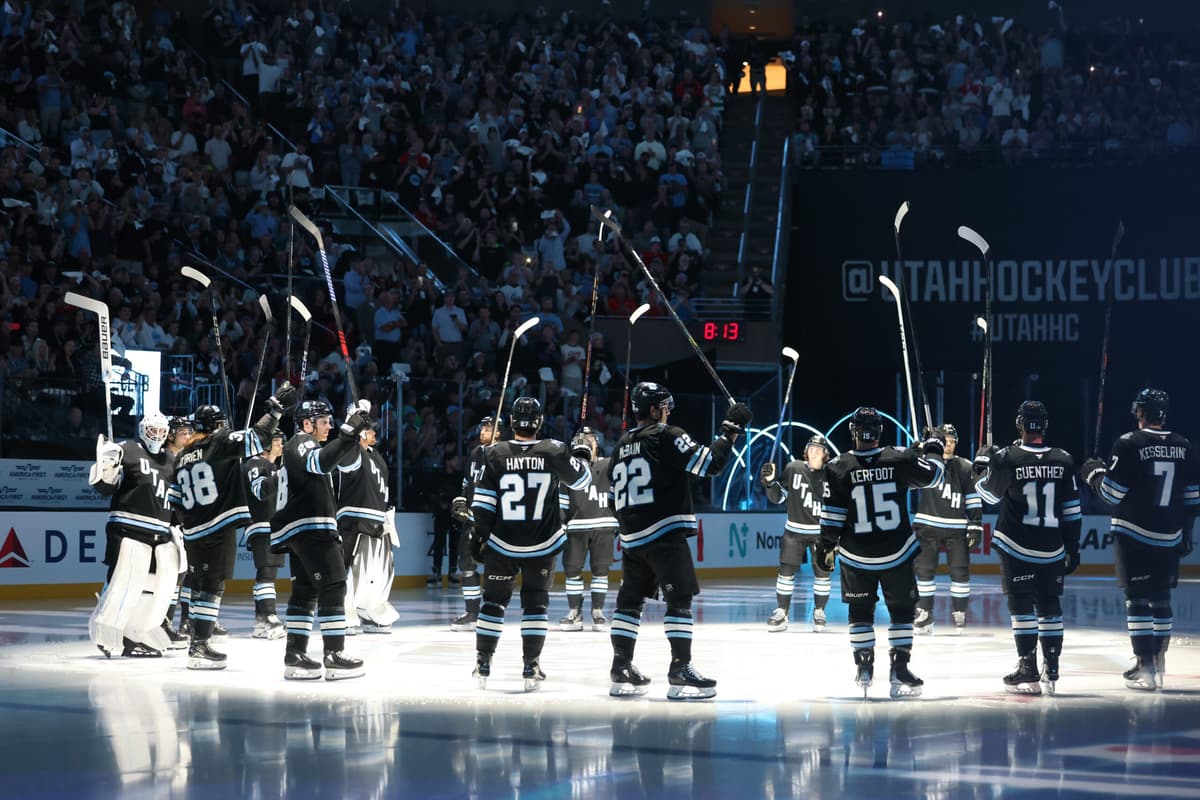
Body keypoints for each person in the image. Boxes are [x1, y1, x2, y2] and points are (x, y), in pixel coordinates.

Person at [606, 382, 752, 700]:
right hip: (665, 534)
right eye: (666, 407)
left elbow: (611, 499)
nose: (668, 412)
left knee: (629, 603)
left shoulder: (621, 445)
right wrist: (730, 432)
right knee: (679, 600)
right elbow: (708, 464)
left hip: (632, 540)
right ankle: (680, 669)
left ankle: (621, 667)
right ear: (656, 409)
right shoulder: (667, 435)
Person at [817, 407, 944, 699]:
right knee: (901, 611)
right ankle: (899, 670)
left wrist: (825, 546)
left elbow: (832, 516)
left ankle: (864, 666)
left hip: (856, 554)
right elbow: (934, 477)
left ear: (852, 431)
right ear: (879, 431)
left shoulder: (838, 466)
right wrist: (933, 450)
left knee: (860, 610)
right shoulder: (899, 458)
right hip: (896, 551)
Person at [467, 397, 591, 691]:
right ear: (539, 422)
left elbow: (483, 506)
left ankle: (483, 661)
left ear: (511, 422)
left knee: (493, 603)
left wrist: (478, 538)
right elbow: (583, 480)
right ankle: (530, 664)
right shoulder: (554, 449)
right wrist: (581, 453)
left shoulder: (494, 453)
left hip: (502, 543)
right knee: (535, 605)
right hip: (542, 545)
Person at [1081, 389, 1199, 690]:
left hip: (1134, 534)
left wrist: (1094, 473)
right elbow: (1191, 498)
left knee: (1137, 599)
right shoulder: (1184, 445)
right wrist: (1187, 533)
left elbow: (1110, 494)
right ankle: (1158, 660)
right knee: (1161, 599)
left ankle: (1144, 667)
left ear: (1139, 411)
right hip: (1169, 535)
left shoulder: (1129, 443)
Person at [175, 384, 294, 670]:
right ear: (216, 426)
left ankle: (196, 640)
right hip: (218, 528)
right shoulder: (219, 442)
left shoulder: (181, 457)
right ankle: (200, 645)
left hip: (192, 532)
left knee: (201, 586)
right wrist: (276, 408)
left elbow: (175, 499)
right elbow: (260, 436)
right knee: (213, 588)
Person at [974, 401, 1082, 695]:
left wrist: (982, 465)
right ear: (1044, 426)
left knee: (1021, 605)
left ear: (1020, 424)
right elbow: (1072, 510)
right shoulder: (1064, 459)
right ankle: (1053, 665)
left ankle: (1027, 668)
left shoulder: (1008, 457)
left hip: (1016, 546)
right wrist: (1072, 546)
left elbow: (988, 495)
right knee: (1050, 605)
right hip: (1052, 547)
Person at [271, 399, 372, 681]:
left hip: (298, 529)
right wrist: (349, 430)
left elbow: (342, 461)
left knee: (305, 592)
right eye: (324, 421)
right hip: (311, 527)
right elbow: (323, 462)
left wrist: (351, 431)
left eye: (331, 420)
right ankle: (334, 654)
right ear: (306, 424)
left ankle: (295, 655)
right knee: (334, 584)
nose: (329, 425)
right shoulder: (303, 442)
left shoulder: (298, 446)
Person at [88, 410, 182, 658]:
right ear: (143, 430)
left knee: (154, 587)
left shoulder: (171, 462)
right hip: (127, 529)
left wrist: (178, 526)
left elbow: (176, 502)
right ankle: (107, 627)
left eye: (162, 431)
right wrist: (104, 469)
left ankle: (136, 631)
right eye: (153, 430)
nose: (157, 435)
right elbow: (104, 488)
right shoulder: (127, 450)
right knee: (123, 581)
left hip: (160, 536)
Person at [912, 424, 983, 635]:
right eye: (946, 440)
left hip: (955, 526)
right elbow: (909, 469)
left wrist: (975, 525)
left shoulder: (964, 466)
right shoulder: (927, 462)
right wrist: (917, 450)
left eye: (952, 441)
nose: (949, 444)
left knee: (960, 569)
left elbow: (972, 497)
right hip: (928, 522)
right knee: (924, 569)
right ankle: (924, 611)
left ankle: (960, 611)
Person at [760, 434, 832, 632]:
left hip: (822, 533)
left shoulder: (833, 473)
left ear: (826, 454)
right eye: (811, 448)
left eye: (819, 449)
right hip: (794, 531)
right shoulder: (793, 468)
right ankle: (782, 611)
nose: (814, 451)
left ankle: (819, 611)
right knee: (785, 573)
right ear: (806, 451)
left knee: (823, 574)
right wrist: (769, 483)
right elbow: (778, 497)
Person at [335, 416, 398, 634]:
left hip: (378, 520)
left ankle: (372, 611)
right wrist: (353, 421)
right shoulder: (351, 452)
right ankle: (344, 611)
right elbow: (344, 448)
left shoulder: (376, 456)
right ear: (361, 434)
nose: (375, 434)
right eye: (370, 431)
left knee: (379, 571)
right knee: (354, 568)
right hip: (355, 518)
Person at [559, 427, 618, 632]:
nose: (585, 442)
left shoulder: (609, 464)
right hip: (576, 528)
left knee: (601, 572)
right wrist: (561, 524)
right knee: (572, 571)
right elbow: (562, 501)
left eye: (590, 439)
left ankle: (597, 613)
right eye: (580, 440)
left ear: (597, 445)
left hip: (604, 525)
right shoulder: (568, 469)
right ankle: (574, 612)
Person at [450, 416, 499, 632]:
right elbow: (467, 482)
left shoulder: (502, 455)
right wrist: (461, 500)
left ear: (498, 431)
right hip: (472, 520)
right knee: (466, 564)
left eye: (488, 429)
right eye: (481, 428)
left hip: (495, 522)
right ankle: (472, 611)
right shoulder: (475, 453)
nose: (482, 432)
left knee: (494, 567)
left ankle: (492, 612)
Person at [243, 429, 286, 640]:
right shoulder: (257, 464)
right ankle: (269, 617)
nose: (281, 446)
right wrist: (282, 475)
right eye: (277, 441)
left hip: (268, 525)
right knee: (267, 572)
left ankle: (261, 621)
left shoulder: (268, 466)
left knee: (267, 573)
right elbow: (260, 491)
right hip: (262, 524)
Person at [162, 416, 195, 648]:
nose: (188, 436)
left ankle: (173, 623)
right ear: (171, 434)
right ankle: (159, 624)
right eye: (183, 432)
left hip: (180, 527)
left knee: (181, 577)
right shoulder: (162, 459)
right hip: (163, 525)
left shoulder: (186, 460)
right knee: (168, 578)